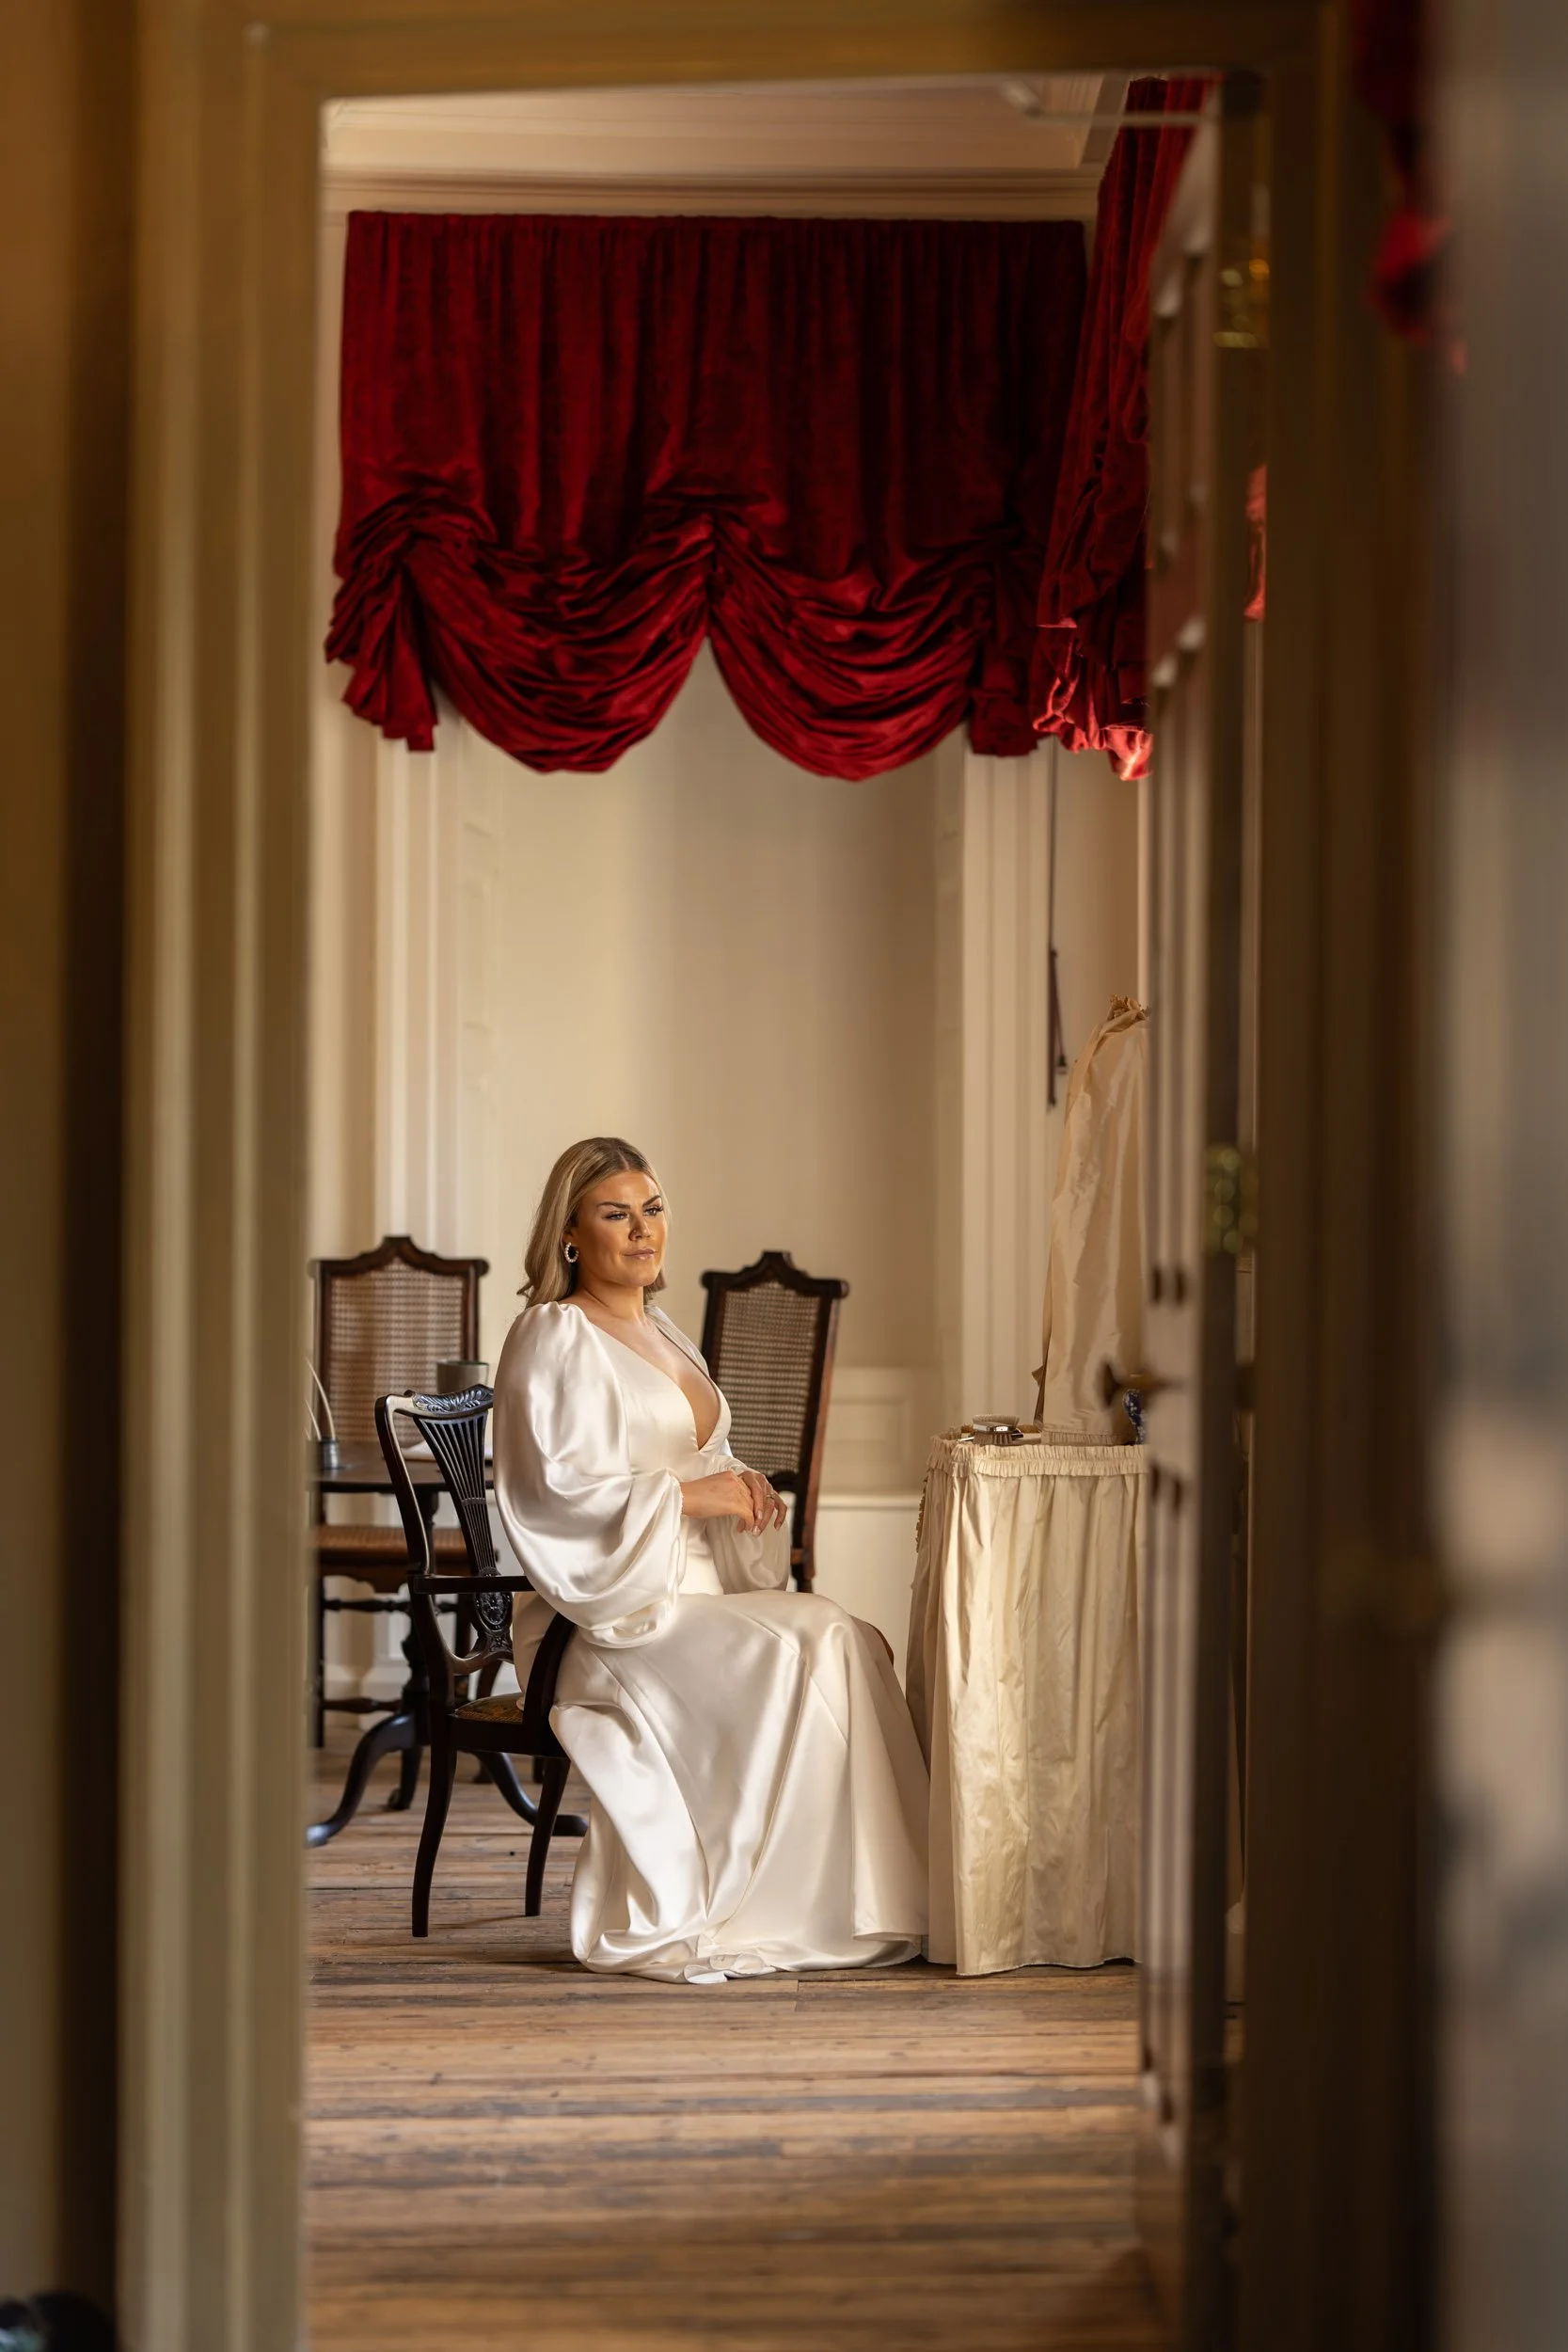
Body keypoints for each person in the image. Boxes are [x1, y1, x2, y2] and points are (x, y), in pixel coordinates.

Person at [492, 1135, 929, 1983]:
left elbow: (702, 1465)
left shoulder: (665, 1334)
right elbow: (555, 1491)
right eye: (615, 1214)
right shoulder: (553, 1335)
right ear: (571, 1234)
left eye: (652, 1210)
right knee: (816, 1638)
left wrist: (742, 1491)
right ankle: (790, 1908)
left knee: (845, 1638)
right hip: (609, 1616)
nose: (642, 1230)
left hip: (694, 1595)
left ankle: (870, 1903)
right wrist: (691, 1498)